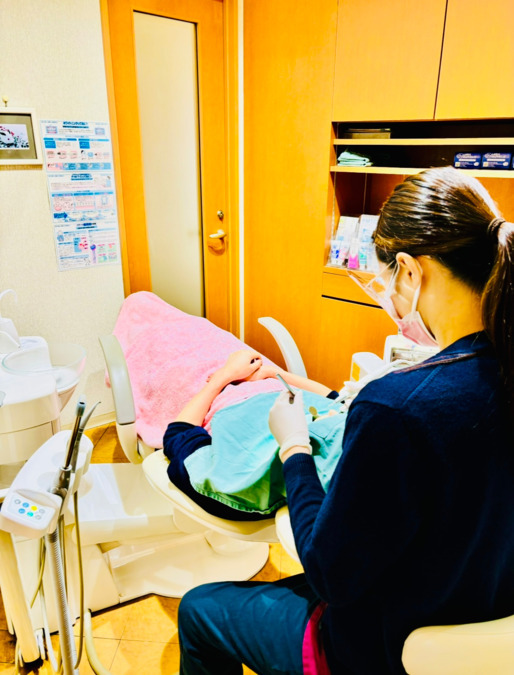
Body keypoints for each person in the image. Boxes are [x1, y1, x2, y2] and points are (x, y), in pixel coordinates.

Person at [176, 166, 514, 675]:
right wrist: (302, 383)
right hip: (482, 615)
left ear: (409, 271)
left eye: (385, 283)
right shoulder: (481, 375)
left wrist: (293, 446)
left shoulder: (396, 408)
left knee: (199, 609)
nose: (389, 299)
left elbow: (329, 573)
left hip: (380, 648)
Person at [163, 350, 342, 521]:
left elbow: (178, 434)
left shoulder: (238, 483)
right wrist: (272, 373)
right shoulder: (349, 425)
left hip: (213, 390)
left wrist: (224, 376)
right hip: (266, 375)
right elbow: (335, 397)